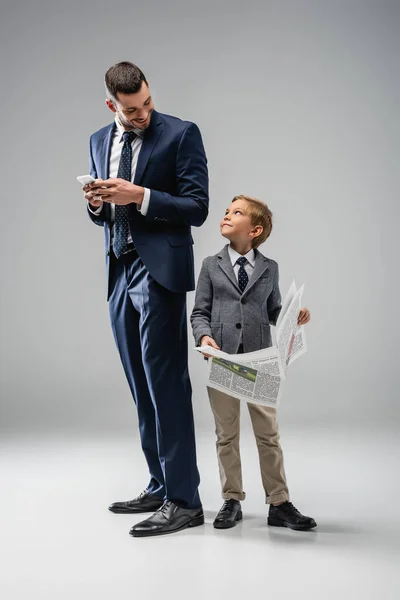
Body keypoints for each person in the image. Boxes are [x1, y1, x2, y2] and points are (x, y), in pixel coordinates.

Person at [83, 61, 209, 537]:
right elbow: (102, 216)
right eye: (132, 110)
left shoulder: (181, 134)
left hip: (159, 272)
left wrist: (140, 195)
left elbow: (197, 207)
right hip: (119, 270)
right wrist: (97, 203)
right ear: (112, 104)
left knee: (167, 385)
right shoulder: (98, 139)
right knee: (140, 385)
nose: (143, 116)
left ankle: (184, 499)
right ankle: (159, 484)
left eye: (147, 105)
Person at [190, 195, 316, 531]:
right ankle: (231, 499)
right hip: (224, 360)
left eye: (237, 212)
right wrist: (204, 338)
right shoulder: (210, 265)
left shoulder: (269, 268)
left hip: (261, 360)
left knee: (268, 435)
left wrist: (293, 316)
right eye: (228, 211)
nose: (227, 215)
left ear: (255, 230)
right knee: (226, 435)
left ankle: (279, 502)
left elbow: (273, 311)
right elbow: (199, 312)